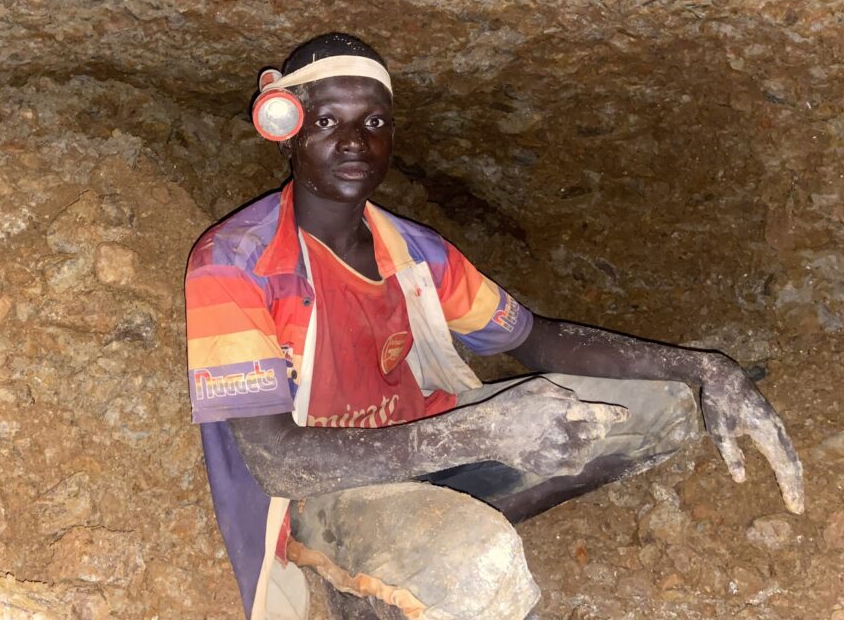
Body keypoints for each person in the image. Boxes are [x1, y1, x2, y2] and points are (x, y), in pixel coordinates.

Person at [185, 33, 804, 620]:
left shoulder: (416, 252)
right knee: (478, 566)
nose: (354, 143)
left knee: (665, 408)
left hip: (430, 432)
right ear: (287, 133)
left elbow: (533, 338)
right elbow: (278, 465)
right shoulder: (236, 262)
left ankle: (414, 554)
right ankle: (374, 577)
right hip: (330, 485)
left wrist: (703, 368)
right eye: (327, 121)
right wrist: (478, 433)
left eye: (373, 122)